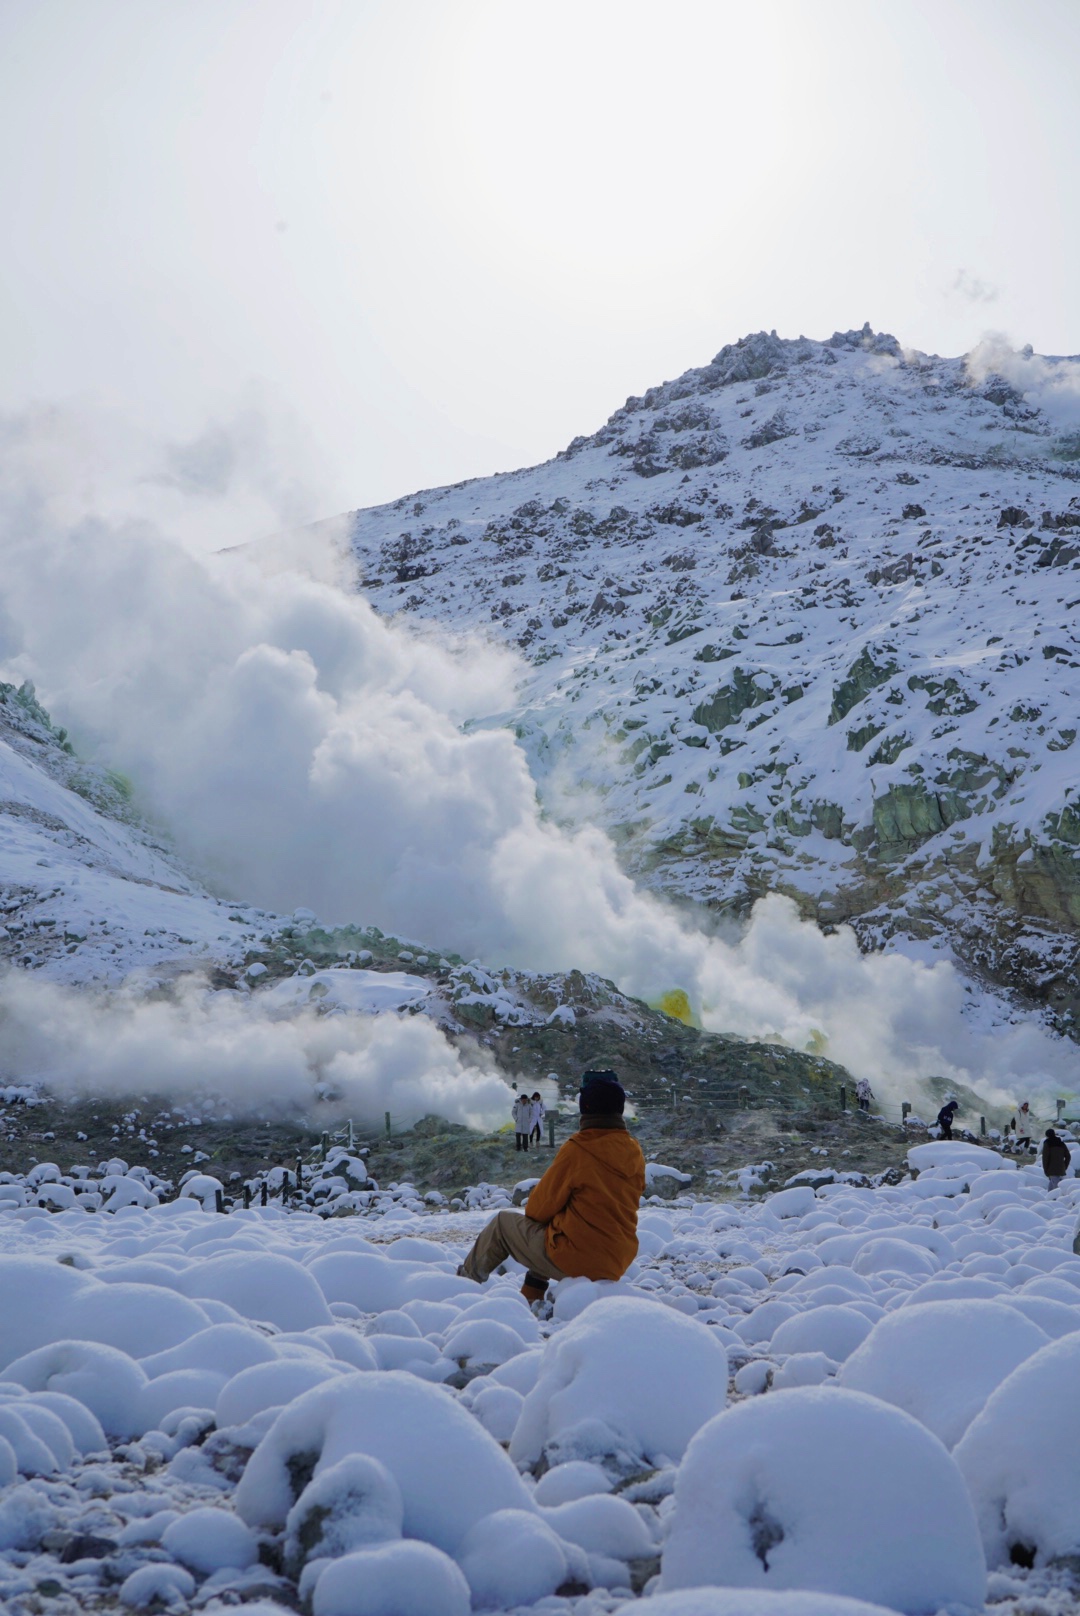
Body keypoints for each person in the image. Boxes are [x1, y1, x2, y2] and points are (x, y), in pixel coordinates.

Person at [459, 1069, 646, 1304]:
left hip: (578, 1259)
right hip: (617, 1259)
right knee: (554, 1230)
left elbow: (536, 1209)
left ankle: (462, 1285)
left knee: (502, 1224)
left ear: (585, 1107)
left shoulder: (578, 1149)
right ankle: (531, 1300)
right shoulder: (634, 1150)